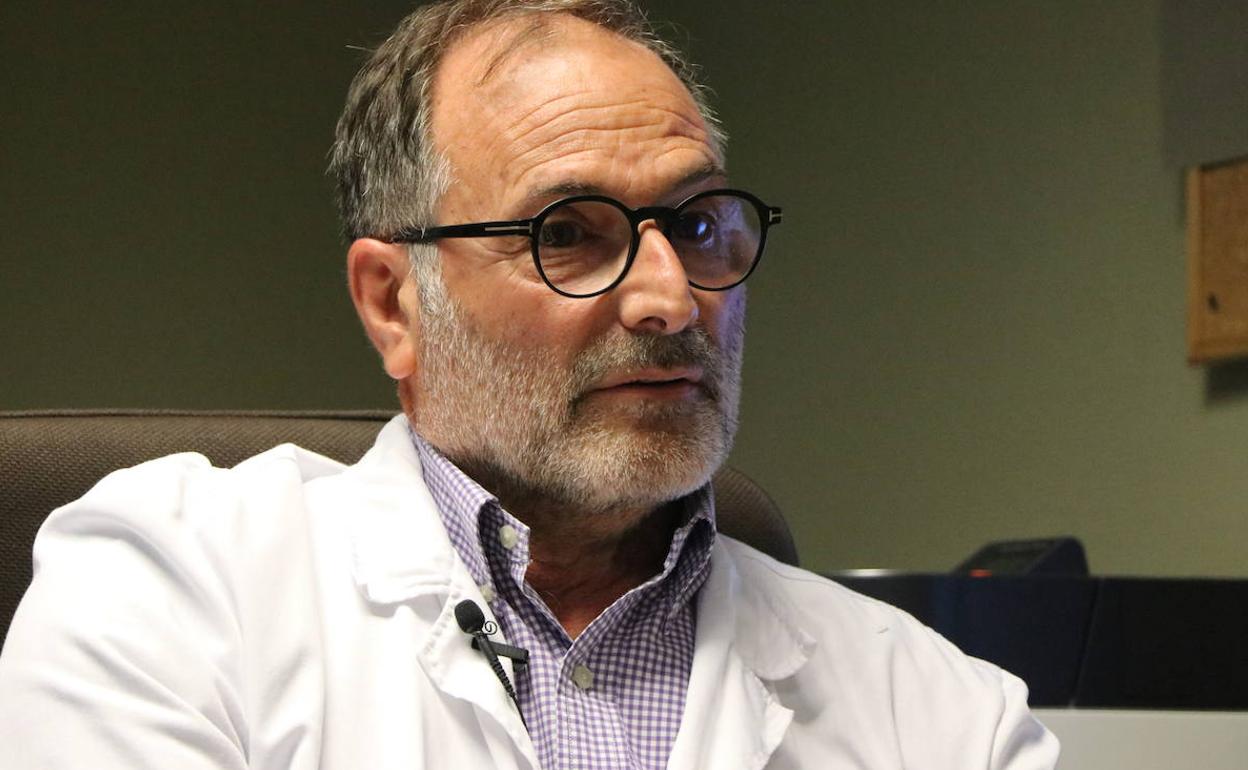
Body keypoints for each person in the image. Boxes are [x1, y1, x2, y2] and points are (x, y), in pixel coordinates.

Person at [0, 1, 1059, 768]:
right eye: (568, 233)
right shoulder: (173, 591)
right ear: (393, 304)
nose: (670, 297)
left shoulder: (936, 709)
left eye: (696, 224)